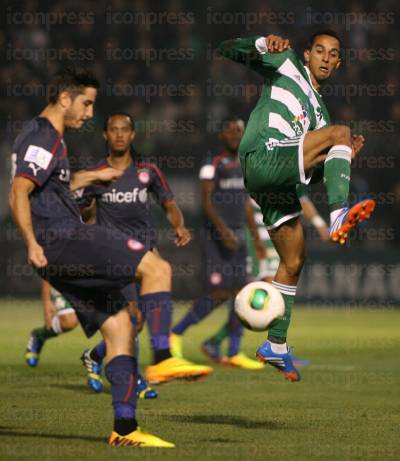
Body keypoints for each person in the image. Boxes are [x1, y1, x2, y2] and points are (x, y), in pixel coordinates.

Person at [9, 65, 175, 447]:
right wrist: (32, 243)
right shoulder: (44, 135)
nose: (88, 113)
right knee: (157, 266)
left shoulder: (50, 140)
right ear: (64, 98)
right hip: (63, 240)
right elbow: (19, 191)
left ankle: (125, 429)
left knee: (119, 326)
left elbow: (49, 190)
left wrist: (88, 179)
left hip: (59, 245)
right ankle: (165, 358)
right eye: (85, 104)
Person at [217, 31, 375, 382]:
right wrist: (259, 43)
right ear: (307, 54)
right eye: (319, 50)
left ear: (337, 63)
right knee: (340, 133)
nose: (325, 57)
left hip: (276, 182)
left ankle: (275, 344)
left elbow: (310, 175)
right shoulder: (285, 62)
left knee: (293, 260)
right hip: (263, 154)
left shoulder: (321, 114)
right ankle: (338, 217)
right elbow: (226, 47)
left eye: (332, 54)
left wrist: (340, 156)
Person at [79, 112, 212, 388]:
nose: (118, 134)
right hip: (114, 255)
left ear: (132, 135)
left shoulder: (147, 171)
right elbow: (81, 210)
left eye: (124, 129)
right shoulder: (97, 174)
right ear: (105, 135)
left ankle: (95, 355)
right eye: (113, 129)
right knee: (132, 317)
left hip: (146, 252)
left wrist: (179, 226)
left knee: (136, 322)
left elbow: (169, 204)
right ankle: (140, 377)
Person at [170, 116, 265, 370]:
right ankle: (176, 333)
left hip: (237, 236)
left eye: (239, 130)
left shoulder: (245, 163)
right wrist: (223, 232)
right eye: (230, 130)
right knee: (218, 293)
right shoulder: (212, 163)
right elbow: (206, 200)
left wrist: (255, 238)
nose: (235, 134)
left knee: (241, 294)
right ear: (221, 134)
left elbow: (246, 204)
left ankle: (233, 351)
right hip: (215, 237)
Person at [205, 185, 329, 366]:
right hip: (258, 240)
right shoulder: (264, 164)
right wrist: (255, 240)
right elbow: (247, 205)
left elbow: (302, 200)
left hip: (274, 239)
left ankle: (218, 342)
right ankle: (267, 349)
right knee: (260, 294)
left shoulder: (293, 171)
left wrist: (319, 223)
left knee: (268, 296)